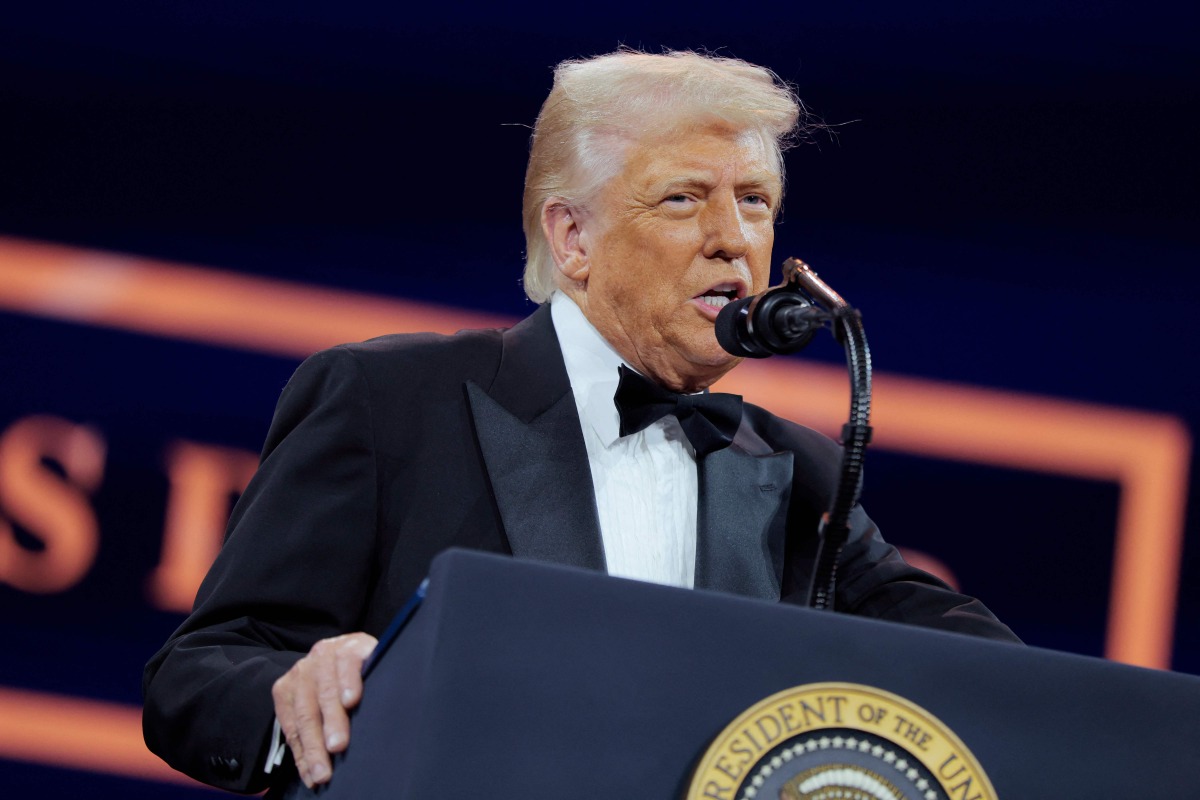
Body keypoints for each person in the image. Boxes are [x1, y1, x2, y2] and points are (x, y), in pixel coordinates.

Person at [142, 49, 1019, 795]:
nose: (731, 239)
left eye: (753, 200)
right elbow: (197, 673)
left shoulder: (794, 473)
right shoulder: (388, 401)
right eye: (684, 199)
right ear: (572, 239)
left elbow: (986, 669)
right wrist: (300, 687)